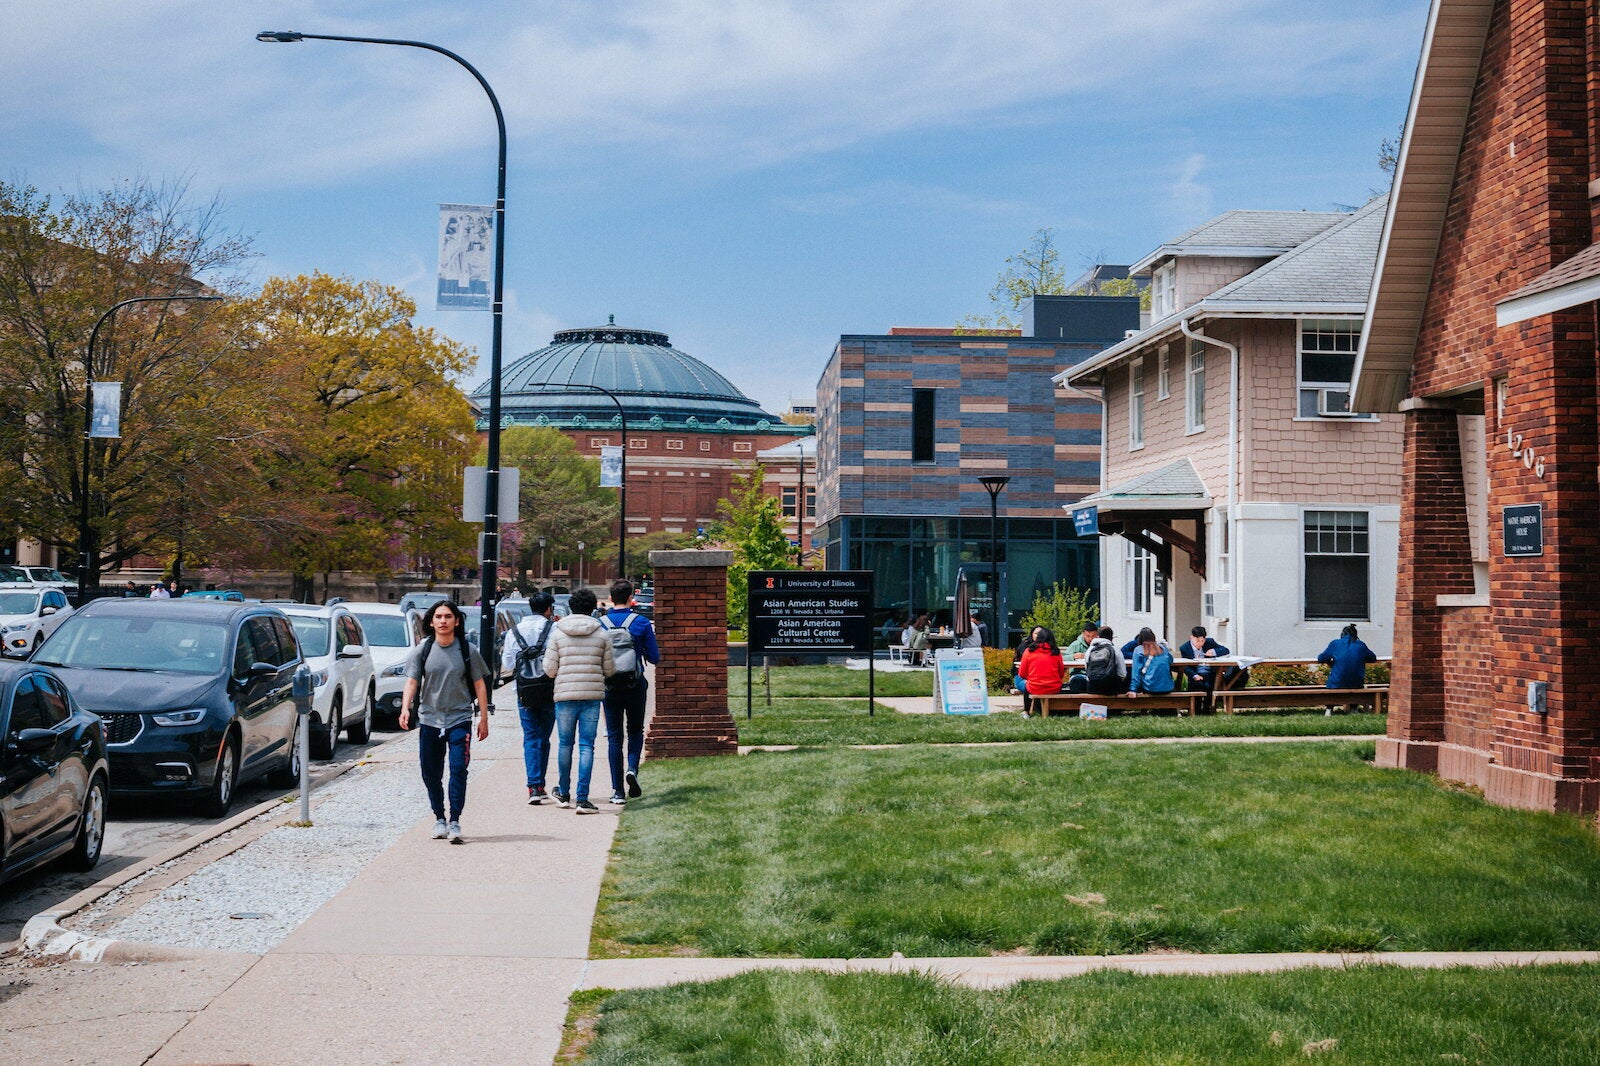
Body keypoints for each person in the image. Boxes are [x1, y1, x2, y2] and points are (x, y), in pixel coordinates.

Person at [399, 601, 492, 845]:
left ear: (456, 621)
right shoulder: (423, 649)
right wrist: (405, 707)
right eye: (438, 617)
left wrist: (483, 718)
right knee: (431, 773)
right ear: (431, 622)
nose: (443, 621)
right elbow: (411, 681)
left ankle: (454, 821)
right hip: (430, 719)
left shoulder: (467, 649)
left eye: (448, 616)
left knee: (459, 769)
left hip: (459, 719)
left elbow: (480, 685)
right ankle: (439, 817)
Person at [542, 587, 616, 815]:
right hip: (592, 696)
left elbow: (549, 669)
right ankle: (583, 798)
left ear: (571, 607)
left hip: (564, 695)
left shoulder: (557, 633)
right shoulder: (602, 634)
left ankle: (564, 792)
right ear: (593, 608)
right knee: (587, 746)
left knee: (565, 744)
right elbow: (610, 669)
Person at [600, 580, 660, 806]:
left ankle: (617, 791)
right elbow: (655, 657)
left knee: (614, 737)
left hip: (610, 687)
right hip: (635, 685)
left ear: (611, 596)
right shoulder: (641, 623)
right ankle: (632, 768)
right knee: (635, 730)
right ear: (631, 598)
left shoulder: (601, 623)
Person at [501, 592, 558, 805]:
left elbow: (507, 664)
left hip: (524, 691)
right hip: (549, 690)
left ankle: (534, 786)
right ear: (549, 609)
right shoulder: (554, 629)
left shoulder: (513, 632)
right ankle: (540, 783)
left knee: (531, 737)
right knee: (544, 737)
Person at [1177, 625, 1242, 698]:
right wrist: (1194, 675)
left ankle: (1209, 707)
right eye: (1197, 641)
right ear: (1192, 637)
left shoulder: (1209, 642)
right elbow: (1186, 665)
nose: (1200, 643)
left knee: (1211, 686)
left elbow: (1225, 650)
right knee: (1196, 686)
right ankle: (1195, 708)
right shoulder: (1185, 648)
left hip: (1210, 673)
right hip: (1196, 673)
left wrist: (1214, 651)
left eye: (1202, 641)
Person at [1317, 623, 1378, 689]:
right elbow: (1373, 658)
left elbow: (1321, 658)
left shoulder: (1335, 643)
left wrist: (1330, 662)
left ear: (1342, 634)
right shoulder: (1361, 645)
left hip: (1336, 685)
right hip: (1356, 685)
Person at [1017, 627, 1066, 701]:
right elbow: (1061, 673)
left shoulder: (1029, 651)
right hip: (1054, 687)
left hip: (1034, 687)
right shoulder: (1056, 652)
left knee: (1026, 686)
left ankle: (1027, 710)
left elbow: (1022, 674)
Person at [1129, 627, 1177, 695]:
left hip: (1150, 687)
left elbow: (1136, 672)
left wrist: (1133, 689)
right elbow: (1170, 660)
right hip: (1167, 687)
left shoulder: (1139, 650)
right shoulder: (1162, 647)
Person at [1084, 625, 1129, 696]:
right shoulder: (1115, 649)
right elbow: (1122, 673)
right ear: (1111, 638)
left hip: (1093, 687)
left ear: (1098, 636)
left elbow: (1087, 669)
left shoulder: (1090, 650)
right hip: (1111, 688)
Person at [1063, 622, 1101, 693]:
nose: (1091, 639)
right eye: (1088, 636)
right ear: (1083, 634)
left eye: (1093, 636)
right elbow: (1063, 658)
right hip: (1078, 674)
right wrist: (1073, 656)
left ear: (1097, 635)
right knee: (1077, 682)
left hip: (1096, 674)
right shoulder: (1076, 645)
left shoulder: (1100, 645)